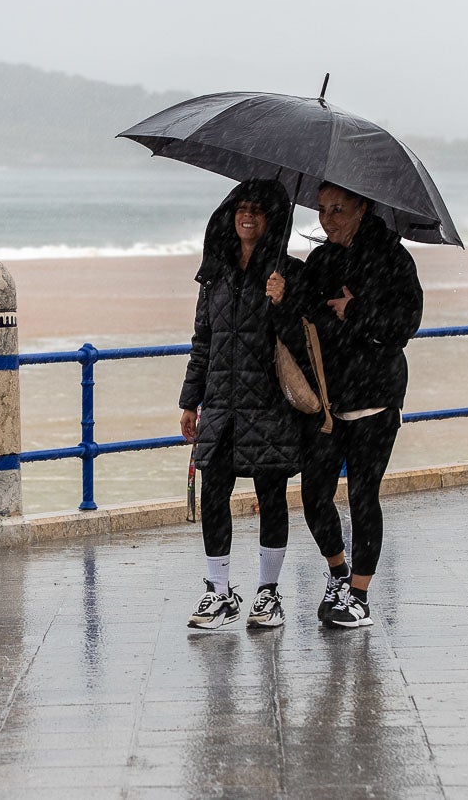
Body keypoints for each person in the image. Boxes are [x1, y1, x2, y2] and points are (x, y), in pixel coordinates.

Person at [290, 181, 423, 628]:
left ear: (363, 208)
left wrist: (356, 311)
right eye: (322, 209)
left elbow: (405, 324)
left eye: (339, 209)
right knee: (313, 496)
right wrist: (279, 287)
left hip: (376, 399)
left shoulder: (393, 259)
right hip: (328, 401)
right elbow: (303, 315)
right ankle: (337, 572)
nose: (328, 219)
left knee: (364, 497)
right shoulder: (321, 258)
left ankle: (360, 596)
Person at [179, 178, 307, 630]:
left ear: (271, 220)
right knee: (214, 493)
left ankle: (268, 595)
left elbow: (302, 344)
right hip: (221, 404)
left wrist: (283, 303)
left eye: (256, 209)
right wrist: (190, 401)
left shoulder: (286, 272)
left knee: (271, 496)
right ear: (229, 215)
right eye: (240, 208)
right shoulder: (215, 273)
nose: (247, 215)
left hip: (269, 404)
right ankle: (219, 592)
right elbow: (203, 340)